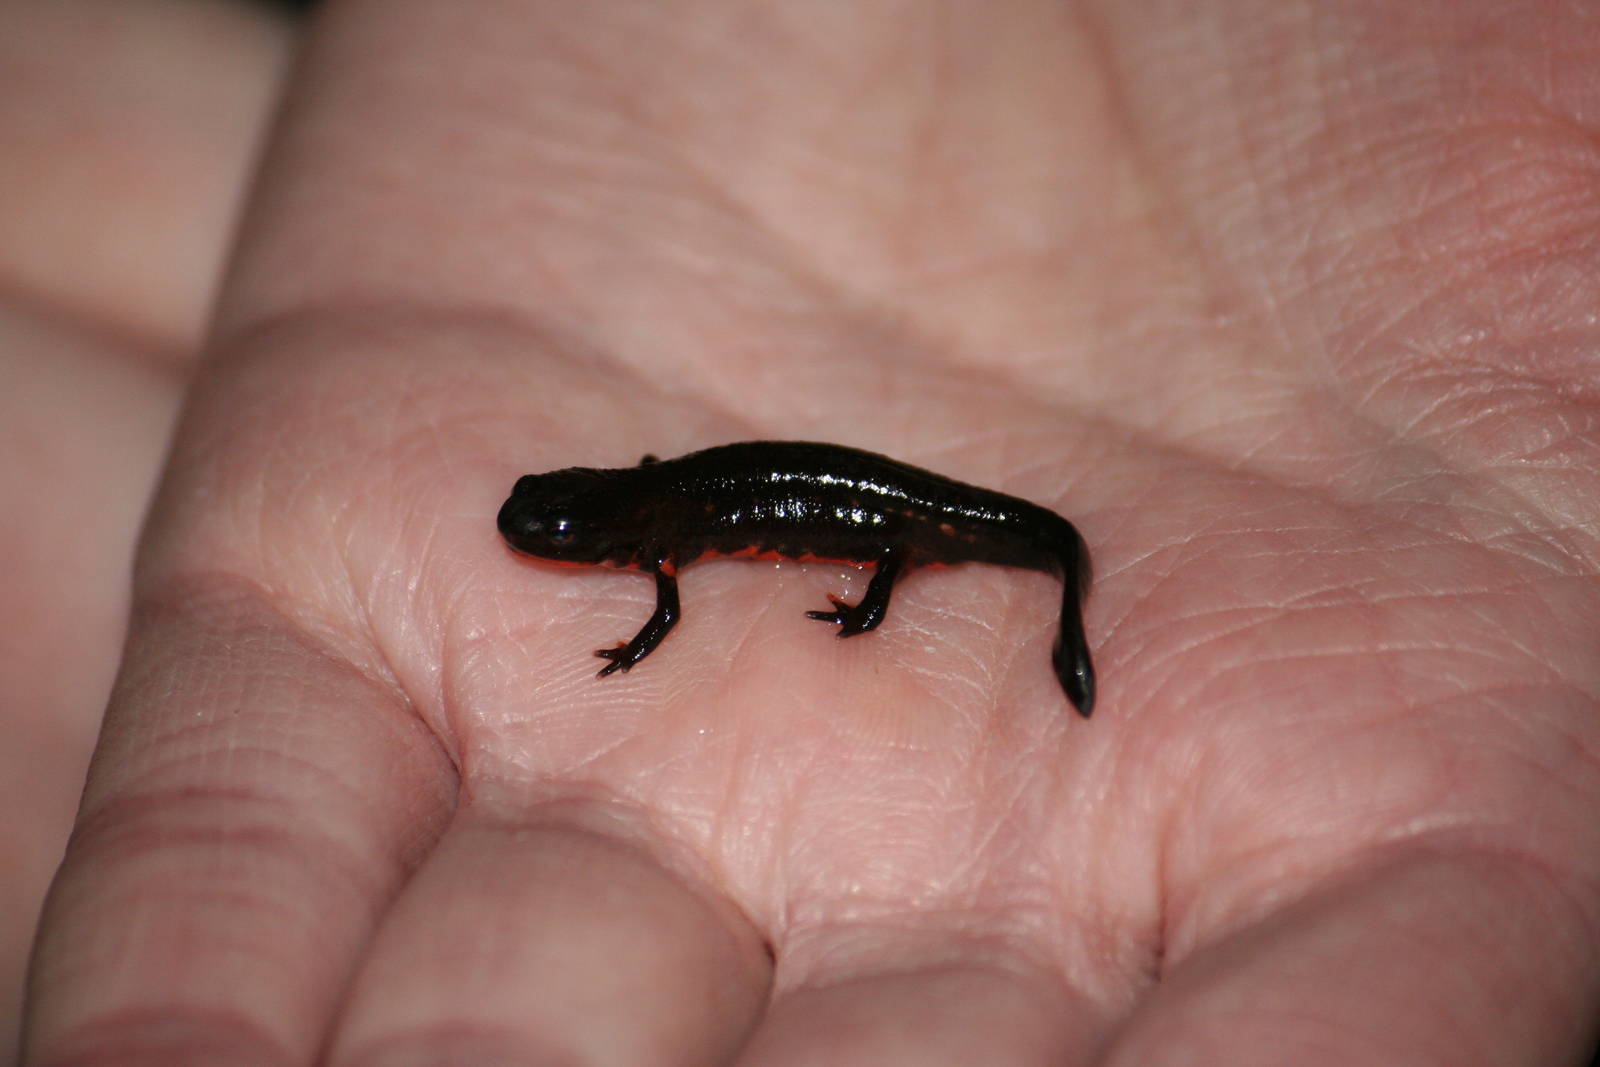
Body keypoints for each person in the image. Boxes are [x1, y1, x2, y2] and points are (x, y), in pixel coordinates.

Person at [8, 1, 1600, 1063]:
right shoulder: (653, 525)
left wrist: (853, 606)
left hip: (886, 507)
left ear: (597, 534)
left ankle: (1027, 602)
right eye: (551, 530)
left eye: (555, 534)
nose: (551, 538)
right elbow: (667, 571)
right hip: (847, 493)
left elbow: (677, 601)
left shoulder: (659, 542)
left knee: (950, 536)